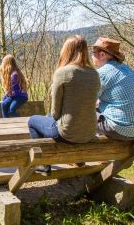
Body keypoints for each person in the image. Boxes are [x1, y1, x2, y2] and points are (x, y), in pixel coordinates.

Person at [28, 35, 100, 175]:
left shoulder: (63, 73)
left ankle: (43, 164)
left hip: (68, 133)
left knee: (32, 121)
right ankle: (78, 159)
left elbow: (55, 113)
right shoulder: (94, 74)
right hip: (90, 131)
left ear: (66, 51)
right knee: (50, 119)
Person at [91, 37, 134, 140]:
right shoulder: (127, 69)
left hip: (123, 130)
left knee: (81, 115)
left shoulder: (102, 73)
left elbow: (86, 103)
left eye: (93, 52)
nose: (91, 56)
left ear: (102, 55)